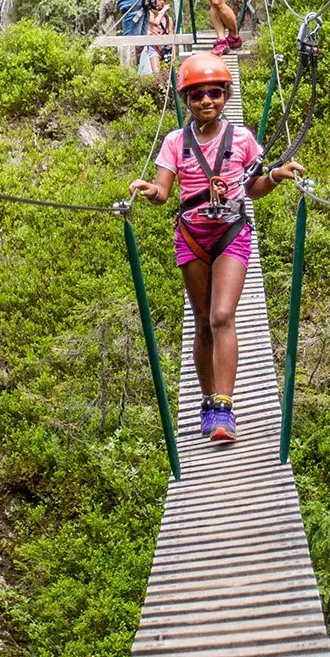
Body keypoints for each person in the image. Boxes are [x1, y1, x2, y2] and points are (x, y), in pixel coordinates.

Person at [128, 51, 306, 445]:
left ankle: (224, 408)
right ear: (186, 100)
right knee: (202, 319)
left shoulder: (241, 139)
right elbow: (164, 193)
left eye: (214, 93)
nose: (206, 101)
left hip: (231, 232)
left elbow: (253, 188)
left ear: (225, 95)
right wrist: (150, 191)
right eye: (197, 95)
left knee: (222, 315)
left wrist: (276, 175)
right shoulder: (175, 142)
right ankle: (208, 402)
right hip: (192, 235)